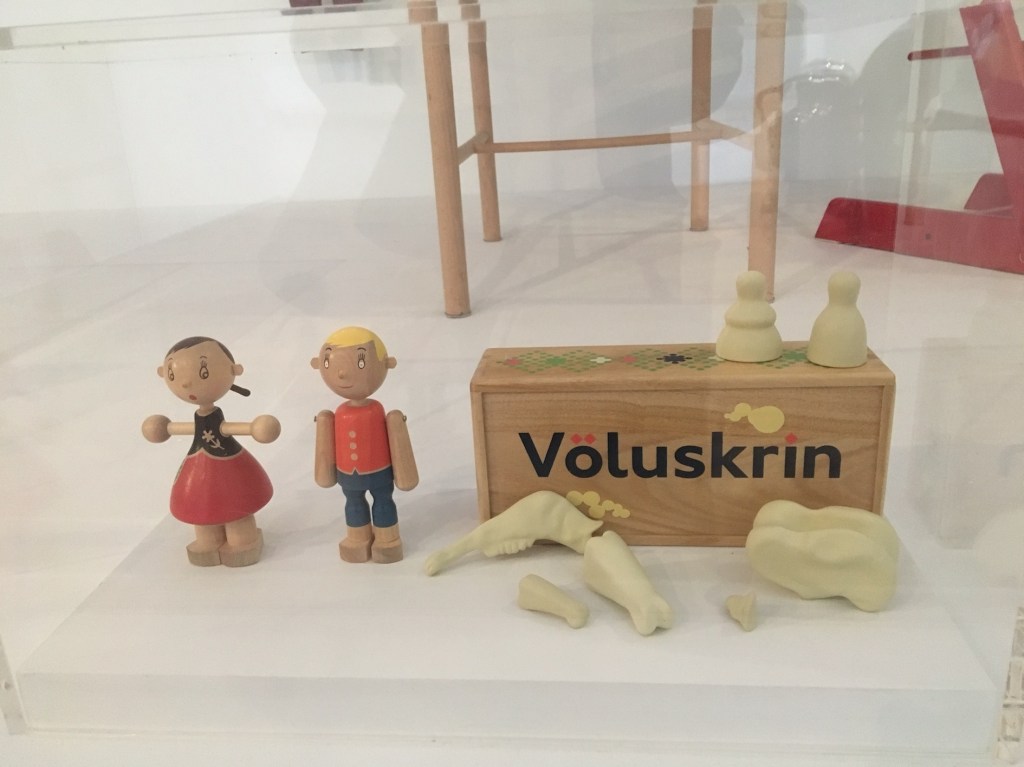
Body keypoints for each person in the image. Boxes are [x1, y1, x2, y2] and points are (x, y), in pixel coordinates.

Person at [142, 336, 280, 567]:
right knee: (202, 503)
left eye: (203, 372)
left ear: (234, 370)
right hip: (200, 464)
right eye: (173, 375)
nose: (186, 384)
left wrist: (255, 429)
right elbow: (163, 429)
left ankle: (242, 539)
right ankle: (208, 541)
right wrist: (163, 428)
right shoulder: (198, 417)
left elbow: (247, 429)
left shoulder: (217, 420)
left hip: (228, 463)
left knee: (237, 501)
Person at [311, 327, 418, 563]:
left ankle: (387, 537)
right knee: (353, 503)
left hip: (380, 471)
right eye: (328, 363)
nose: (341, 373)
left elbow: (395, 439)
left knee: (383, 501)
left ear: (386, 364)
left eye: (361, 362)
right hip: (348, 474)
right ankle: (357, 537)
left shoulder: (377, 411)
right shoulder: (336, 414)